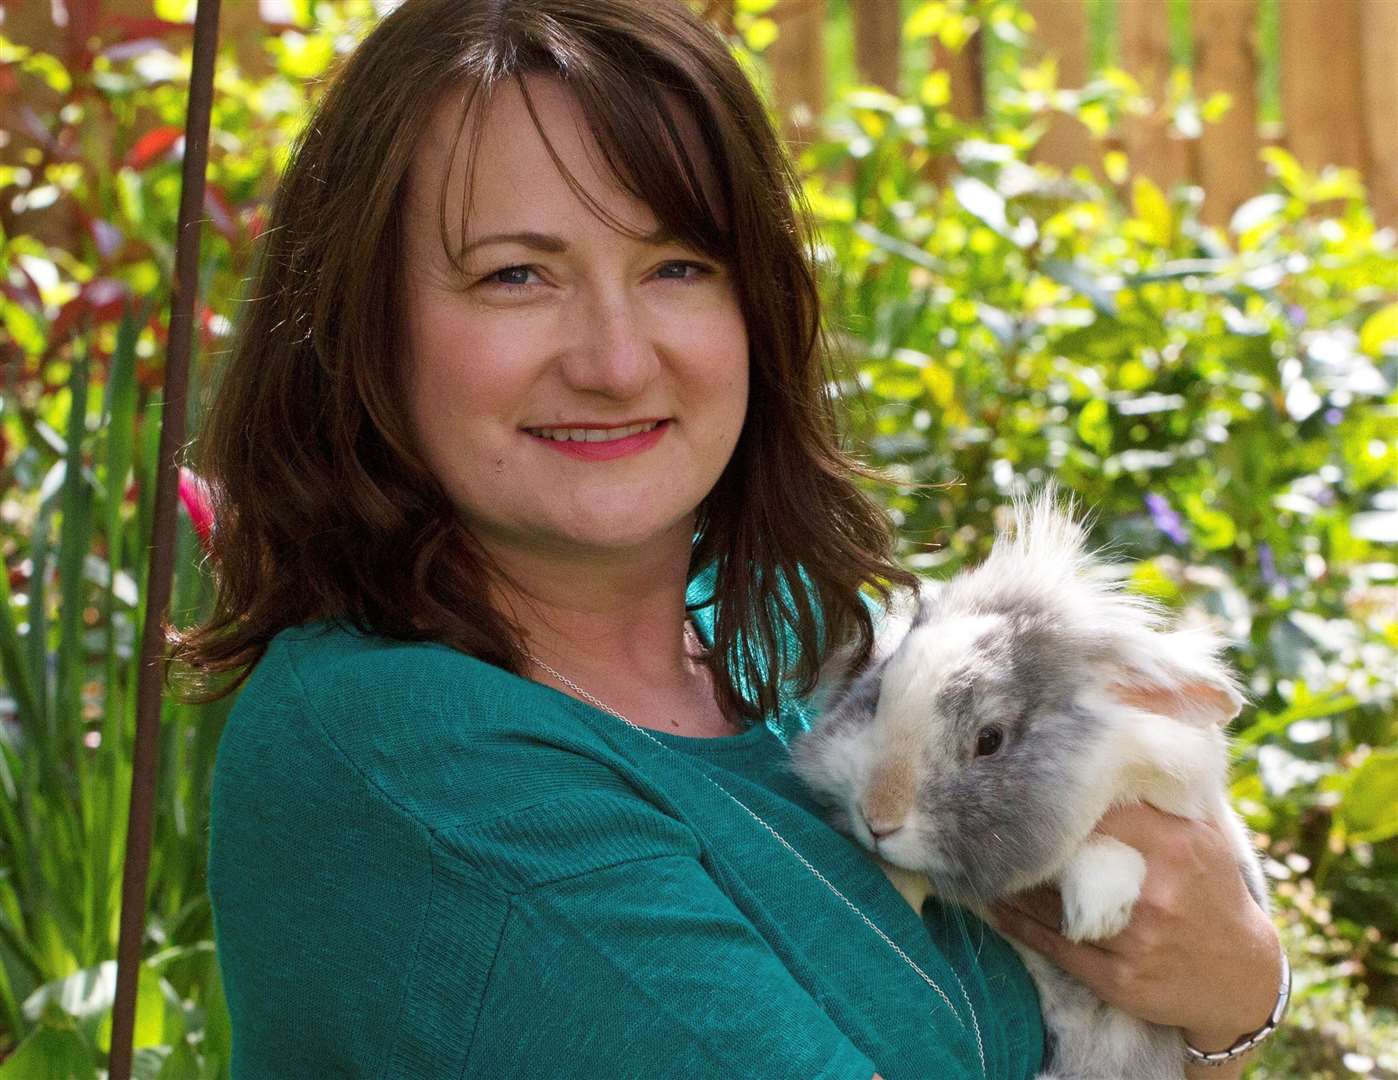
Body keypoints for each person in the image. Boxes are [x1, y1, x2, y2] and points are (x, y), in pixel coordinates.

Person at [174, 1, 1284, 1076]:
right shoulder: (410, 754)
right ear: (367, 323)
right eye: (517, 274)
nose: (614, 360)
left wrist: (1226, 996)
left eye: (677, 268)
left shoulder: (789, 646)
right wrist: (1226, 999)